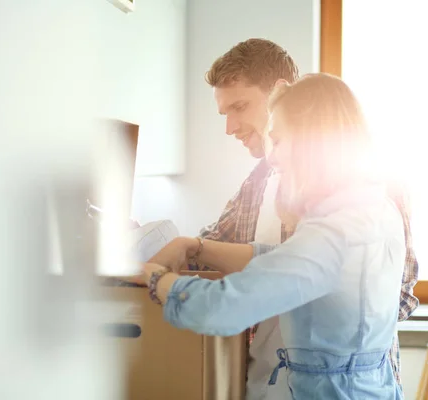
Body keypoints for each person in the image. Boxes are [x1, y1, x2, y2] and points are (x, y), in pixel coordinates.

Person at [142, 72, 406, 399]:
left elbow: (221, 308)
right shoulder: (374, 207)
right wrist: (196, 247)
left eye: (280, 140)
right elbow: (289, 262)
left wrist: (157, 280)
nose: (273, 155)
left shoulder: (331, 233)